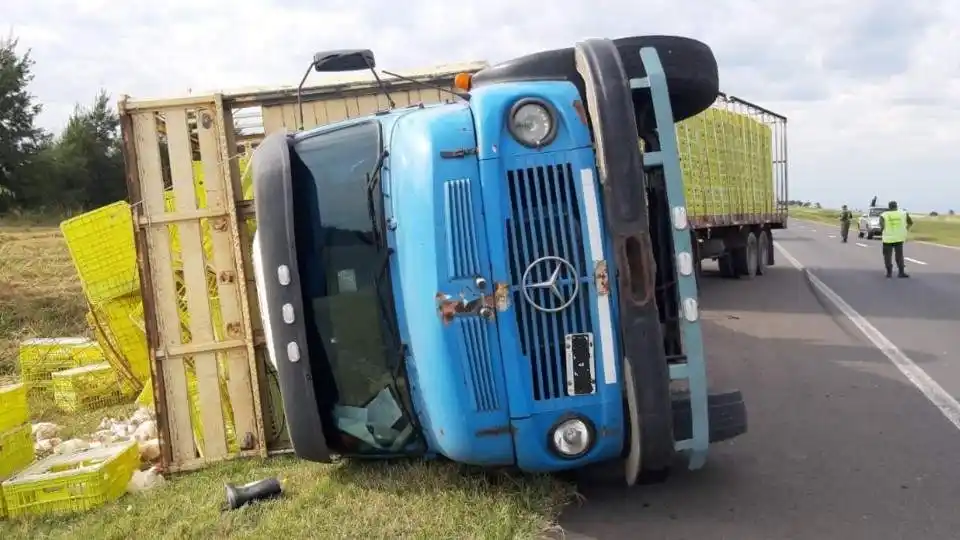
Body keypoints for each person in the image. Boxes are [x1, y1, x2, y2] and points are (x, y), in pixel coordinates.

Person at [879, 200, 914, 278]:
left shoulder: (884, 215)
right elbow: (910, 223)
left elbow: (882, 226)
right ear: (896, 206)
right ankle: (901, 272)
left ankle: (889, 272)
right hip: (899, 237)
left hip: (887, 238)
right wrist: (905, 229)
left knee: (887, 256)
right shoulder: (903, 213)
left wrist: (883, 232)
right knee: (899, 255)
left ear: (889, 207)